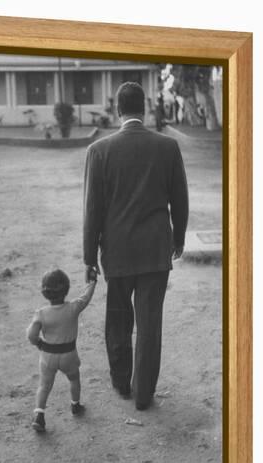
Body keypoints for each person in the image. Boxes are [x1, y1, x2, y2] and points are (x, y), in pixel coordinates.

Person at [83, 81, 189, 411]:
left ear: (118, 109)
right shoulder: (167, 147)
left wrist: (89, 256)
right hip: (156, 252)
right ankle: (143, 393)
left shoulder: (99, 150)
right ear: (144, 108)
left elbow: (93, 210)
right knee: (149, 324)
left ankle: (121, 382)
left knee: (117, 319)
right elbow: (180, 200)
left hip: (116, 252)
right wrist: (179, 238)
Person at [26, 268, 97, 432]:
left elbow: (31, 335)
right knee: (74, 379)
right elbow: (86, 297)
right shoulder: (73, 308)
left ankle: (39, 415)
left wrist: (38, 343)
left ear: (44, 292)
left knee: (44, 385)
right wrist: (92, 282)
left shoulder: (41, 314)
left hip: (48, 356)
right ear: (66, 289)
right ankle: (75, 405)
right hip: (68, 356)